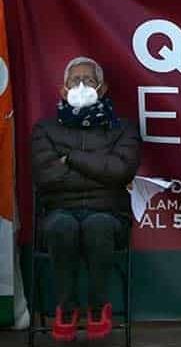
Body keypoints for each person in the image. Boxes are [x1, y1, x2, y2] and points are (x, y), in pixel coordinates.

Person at [31, 57, 140, 341]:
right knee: (62, 226)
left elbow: (120, 171)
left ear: (102, 88)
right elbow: (46, 176)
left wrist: (70, 158)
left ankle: (97, 307)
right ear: (63, 90)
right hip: (59, 213)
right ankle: (66, 309)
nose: (82, 86)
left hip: (109, 215)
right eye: (74, 80)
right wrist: (99, 170)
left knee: (97, 225)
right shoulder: (45, 129)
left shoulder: (123, 129)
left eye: (89, 80)